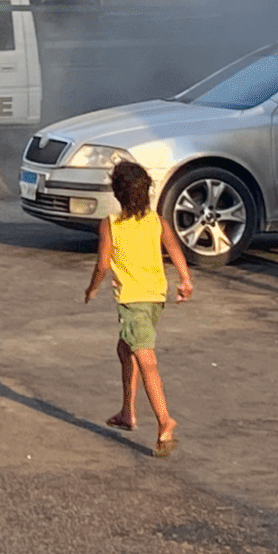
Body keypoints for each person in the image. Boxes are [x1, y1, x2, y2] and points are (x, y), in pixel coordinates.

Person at [85, 159, 194, 458]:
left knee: (146, 360)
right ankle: (127, 412)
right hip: (155, 298)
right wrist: (185, 280)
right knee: (125, 348)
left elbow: (103, 264)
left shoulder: (110, 224)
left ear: (117, 193)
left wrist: (92, 288)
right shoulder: (156, 221)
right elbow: (173, 248)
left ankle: (164, 420)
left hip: (132, 301)